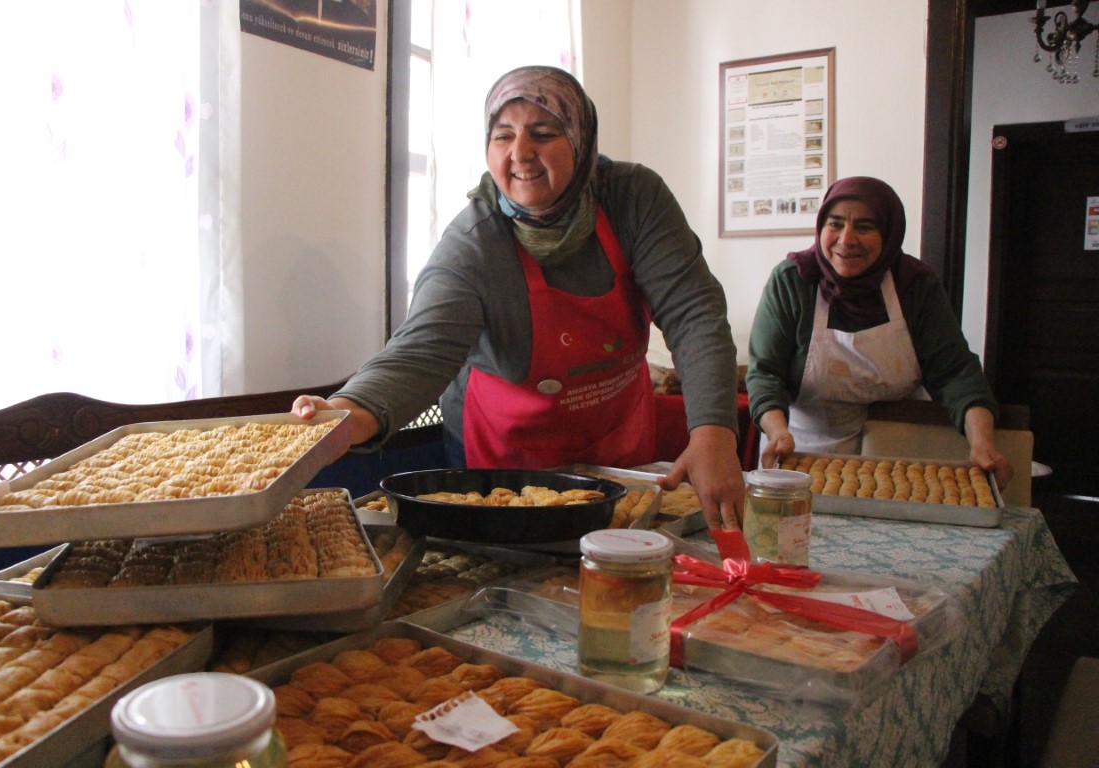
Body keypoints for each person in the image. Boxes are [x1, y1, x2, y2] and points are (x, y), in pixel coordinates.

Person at [292, 65, 745, 529]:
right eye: (502, 136)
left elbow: (694, 313)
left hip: (614, 441)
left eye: (544, 133)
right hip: (502, 458)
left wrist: (714, 431)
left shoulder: (632, 198)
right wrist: (345, 414)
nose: (521, 153)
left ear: (581, 138)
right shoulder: (474, 242)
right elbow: (418, 353)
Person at [746, 175, 1013, 488]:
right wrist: (777, 432)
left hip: (896, 458)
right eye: (835, 224)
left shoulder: (914, 286)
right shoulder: (793, 281)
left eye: (864, 226)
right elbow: (765, 374)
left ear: (889, 233)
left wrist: (982, 443)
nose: (846, 240)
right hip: (799, 452)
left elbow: (956, 373)